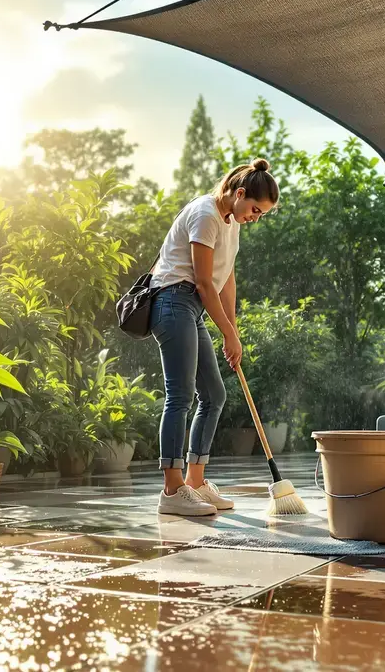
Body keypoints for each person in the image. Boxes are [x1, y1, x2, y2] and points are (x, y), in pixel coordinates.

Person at [149, 158, 279, 516]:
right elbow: (204, 283)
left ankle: (195, 482)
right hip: (173, 301)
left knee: (214, 395)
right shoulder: (206, 214)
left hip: (192, 307)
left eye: (261, 214)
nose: (255, 218)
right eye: (254, 209)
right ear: (239, 194)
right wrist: (227, 334)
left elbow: (225, 280)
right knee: (180, 396)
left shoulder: (231, 220)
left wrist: (232, 333)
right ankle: (172, 491)